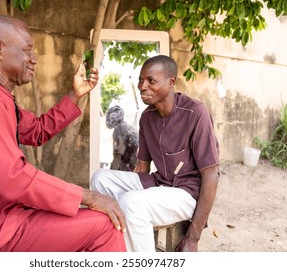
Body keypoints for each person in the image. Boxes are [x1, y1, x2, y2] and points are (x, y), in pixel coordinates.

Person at [0, 14, 126, 252]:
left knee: (89, 220)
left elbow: (38, 131)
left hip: (2, 220)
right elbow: (12, 177)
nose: (34, 59)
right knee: (105, 226)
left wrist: (76, 95)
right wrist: (90, 196)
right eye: (27, 50)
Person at [91, 55, 219, 252]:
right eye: (141, 80)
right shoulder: (147, 117)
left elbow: (211, 176)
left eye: (151, 81)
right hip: (158, 182)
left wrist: (193, 238)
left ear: (171, 82)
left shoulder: (195, 113)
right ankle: (116, 242)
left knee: (132, 202)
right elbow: (142, 166)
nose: (143, 86)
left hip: (187, 193)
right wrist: (136, 192)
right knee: (100, 178)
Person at [105, 105, 139, 171]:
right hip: (133, 167)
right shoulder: (128, 128)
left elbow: (118, 155)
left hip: (128, 167)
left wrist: (111, 173)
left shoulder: (119, 130)